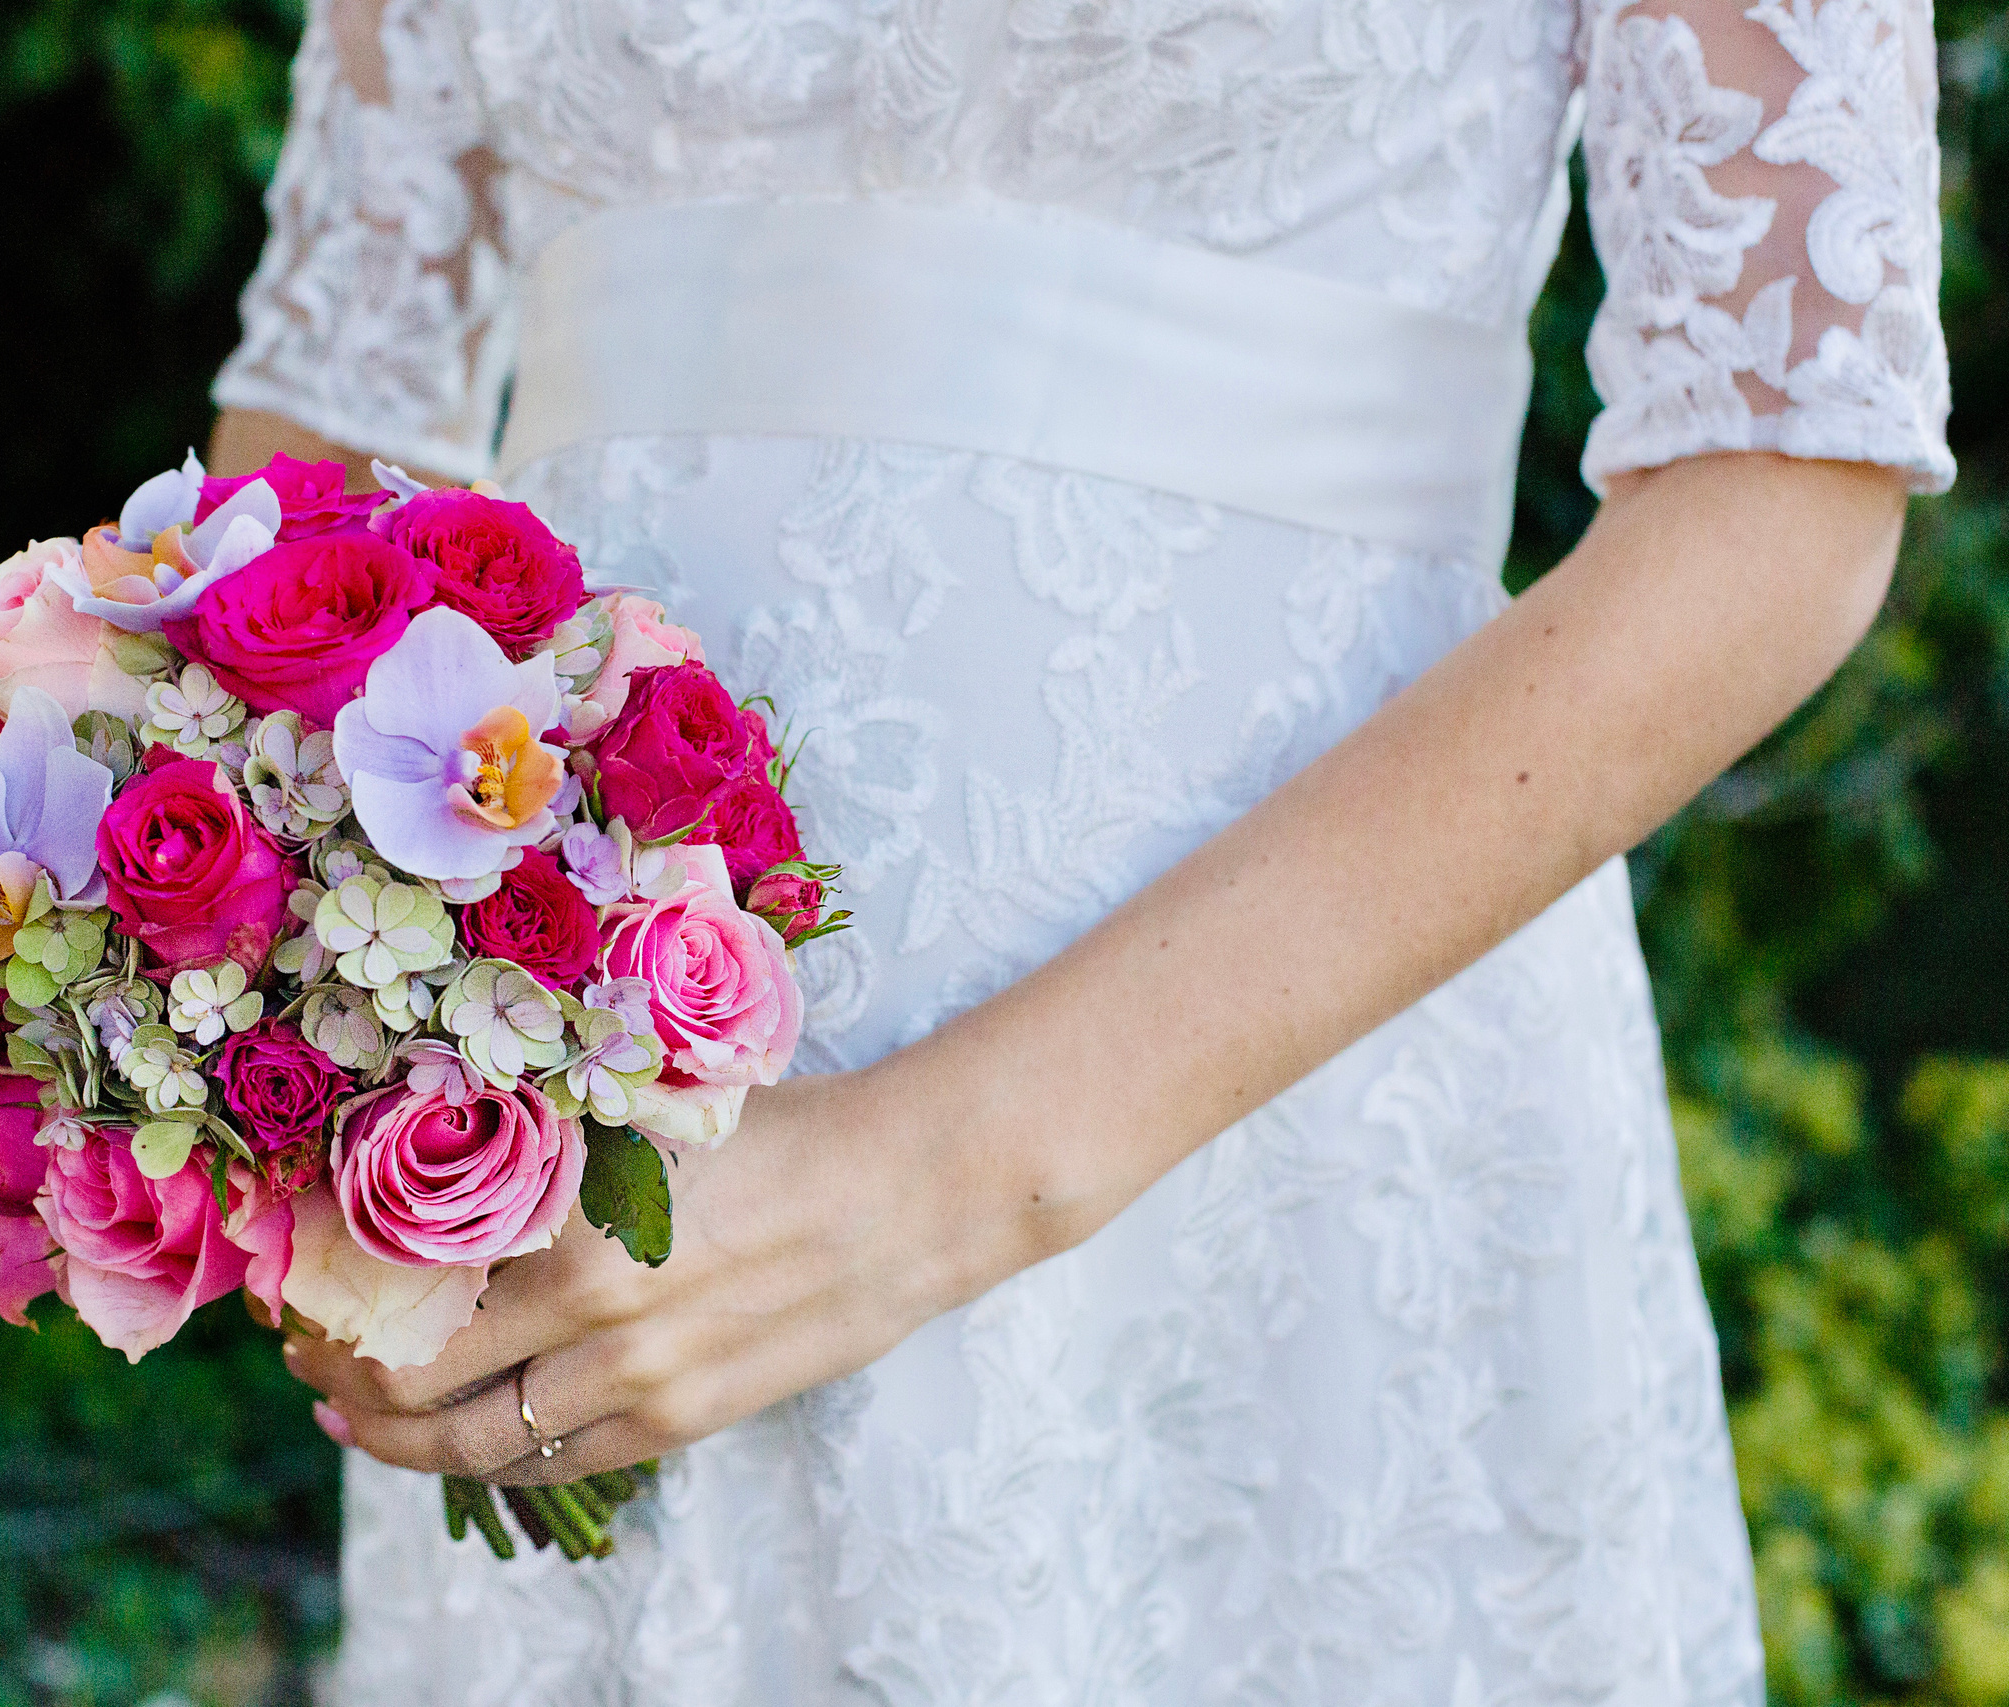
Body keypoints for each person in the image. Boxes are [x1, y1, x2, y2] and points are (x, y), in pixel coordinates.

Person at [215, 1, 1951, 1699]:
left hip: (1276, 1149)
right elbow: (322, 445)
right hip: (563, 1188)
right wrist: (256, 1027)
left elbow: (1780, 490)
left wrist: (920, 1180)